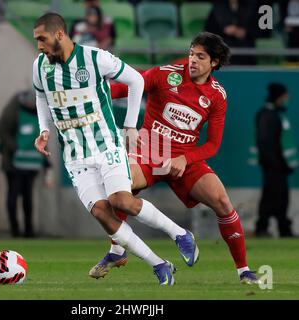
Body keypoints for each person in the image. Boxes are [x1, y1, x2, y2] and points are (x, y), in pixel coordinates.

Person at [32, 12, 200, 285]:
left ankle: (179, 234)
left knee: (121, 201)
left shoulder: (95, 58)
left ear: (60, 34)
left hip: (106, 145)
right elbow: (41, 96)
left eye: (42, 39)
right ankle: (158, 263)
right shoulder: (40, 66)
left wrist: (130, 126)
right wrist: (44, 129)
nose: (39, 45)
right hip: (75, 156)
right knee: (101, 212)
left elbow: (137, 80)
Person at [89, 32, 260, 285]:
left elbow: (213, 144)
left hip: (184, 158)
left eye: (200, 57)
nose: (192, 60)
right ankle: (118, 250)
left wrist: (186, 159)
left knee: (223, 202)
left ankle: (244, 270)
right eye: (191, 53)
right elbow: (127, 87)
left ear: (214, 63)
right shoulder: (166, 73)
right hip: (148, 149)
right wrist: (91, 96)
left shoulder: (216, 96)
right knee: (120, 188)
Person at [0, 90, 53, 238]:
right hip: (12, 163)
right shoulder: (13, 111)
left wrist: (46, 160)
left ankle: (29, 231)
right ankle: (14, 230)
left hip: (32, 164)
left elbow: (41, 139)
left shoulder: (37, 115)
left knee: (28, 196)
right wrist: (16, 148)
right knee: (13, 194)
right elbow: (2, 132)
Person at [255, 83, 297, 237]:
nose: (286, 100)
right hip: (273, 166)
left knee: (280, 197)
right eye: (285, 97)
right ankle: (263, 228)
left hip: (278, 166)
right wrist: (276, 164)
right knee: (271, 197)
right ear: (279, 97)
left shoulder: (274, 114)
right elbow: (265, 142)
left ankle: (282, 228)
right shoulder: (268, 115)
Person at [205, 0, 258, 65]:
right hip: (224, 48)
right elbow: (209, 31)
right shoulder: (218, 8)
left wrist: (244, 33)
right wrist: (224, 30)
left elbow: (259, 30)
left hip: (245, 48)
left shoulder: (250, 7)